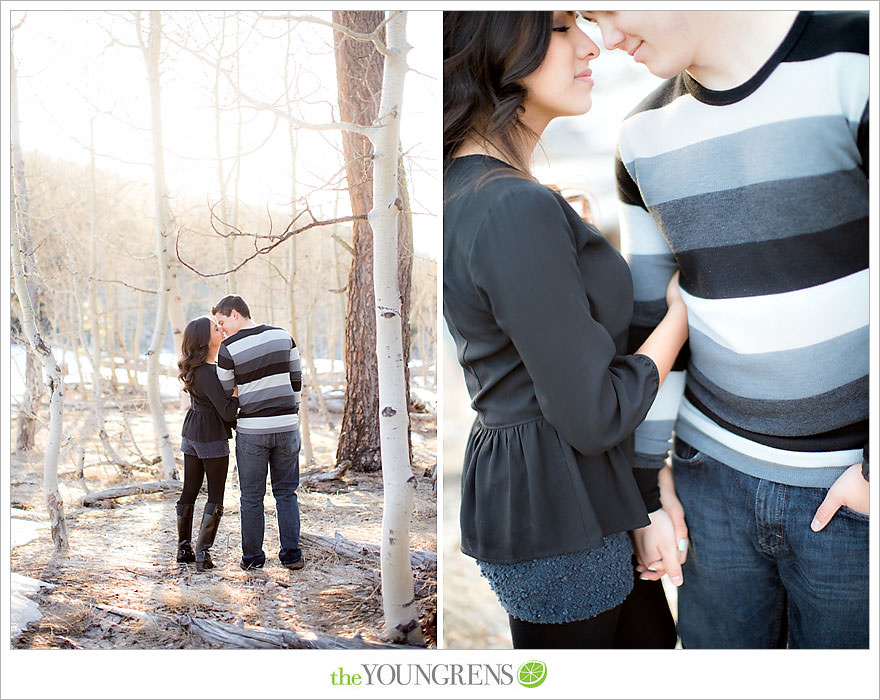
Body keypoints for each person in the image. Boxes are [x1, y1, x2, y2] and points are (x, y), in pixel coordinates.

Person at [580, 9, 869, 648]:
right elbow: (652, 322)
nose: (606, 37)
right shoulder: (640, 135)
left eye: (608, 11)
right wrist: (647, 487)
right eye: (585, 18)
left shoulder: (857, 57)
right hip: (710, 485)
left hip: (852, 492)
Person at [443, 11, 690, 649]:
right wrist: (680, 315)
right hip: (558, 511)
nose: (591, 42)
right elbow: (595, 413)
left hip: (560, 494)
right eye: (558, 25)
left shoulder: (479, 193)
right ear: (490, 42)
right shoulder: (510, 206)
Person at [212, 295, 305, 571]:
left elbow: (227, 392)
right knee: (287, 492)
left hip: (252, 430)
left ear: (235, 314)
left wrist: (248, 391)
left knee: (251, 496)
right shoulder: (283, 336)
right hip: (287, 426)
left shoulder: (228, 349)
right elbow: (296, 380)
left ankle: (253, 559)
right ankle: (292, 556)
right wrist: (290, 412)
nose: (222, 329)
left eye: (222, 321)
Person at [176, 316, 239, 571]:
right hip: (210, 435)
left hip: (191, 432)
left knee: (189, 490)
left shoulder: (196, 369)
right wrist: (236, 392)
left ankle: (184, 549)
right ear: (205, 339)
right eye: (216, 328)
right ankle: (203, 553)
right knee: (215, 494)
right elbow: (227, 412)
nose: (220, 329)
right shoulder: (207, 372)